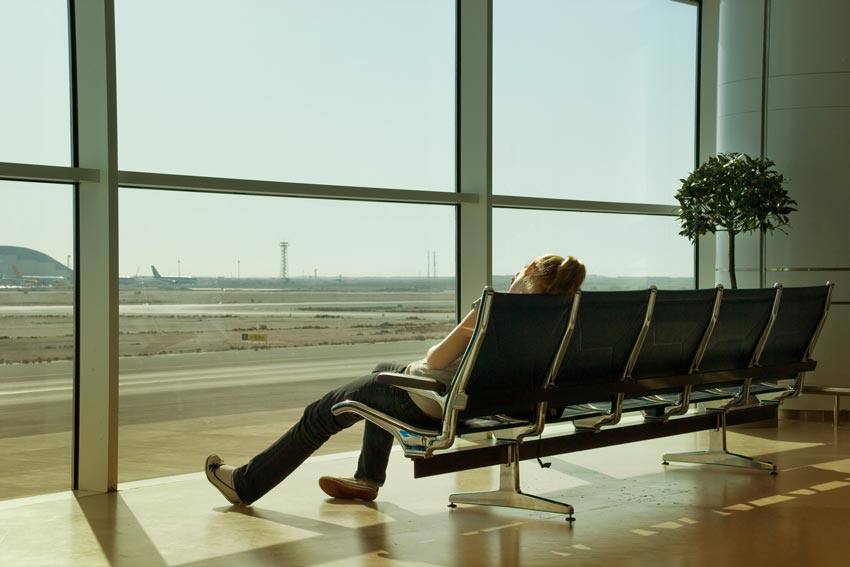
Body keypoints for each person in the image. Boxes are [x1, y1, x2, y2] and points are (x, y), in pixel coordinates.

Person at [205, 254, 586, 505]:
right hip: (474, 403)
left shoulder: (494, 310)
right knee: (381, 369)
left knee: (319, 415)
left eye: (522, 268)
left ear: (530, 276)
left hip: (426, 399)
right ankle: (367, 479)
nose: (515, 271)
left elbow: (437, 358)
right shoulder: (557, 323)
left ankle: (245, 484)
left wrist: (475, 317)